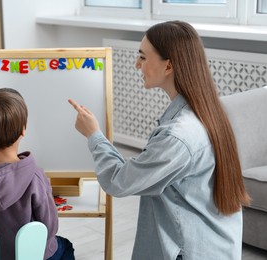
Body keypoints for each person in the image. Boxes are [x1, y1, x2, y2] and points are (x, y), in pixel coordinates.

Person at [69, 21, 250, 260]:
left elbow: (118, 181)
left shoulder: (179, 136)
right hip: (217, 244)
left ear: (169, 65)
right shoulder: (209, 109)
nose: (136, 64)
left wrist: (94, 135)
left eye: (143, 57)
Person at [0, 88, 75, 260]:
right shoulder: (34, 176)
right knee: (65, 246)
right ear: (23, 130)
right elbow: (49, 228)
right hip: (29, 256)